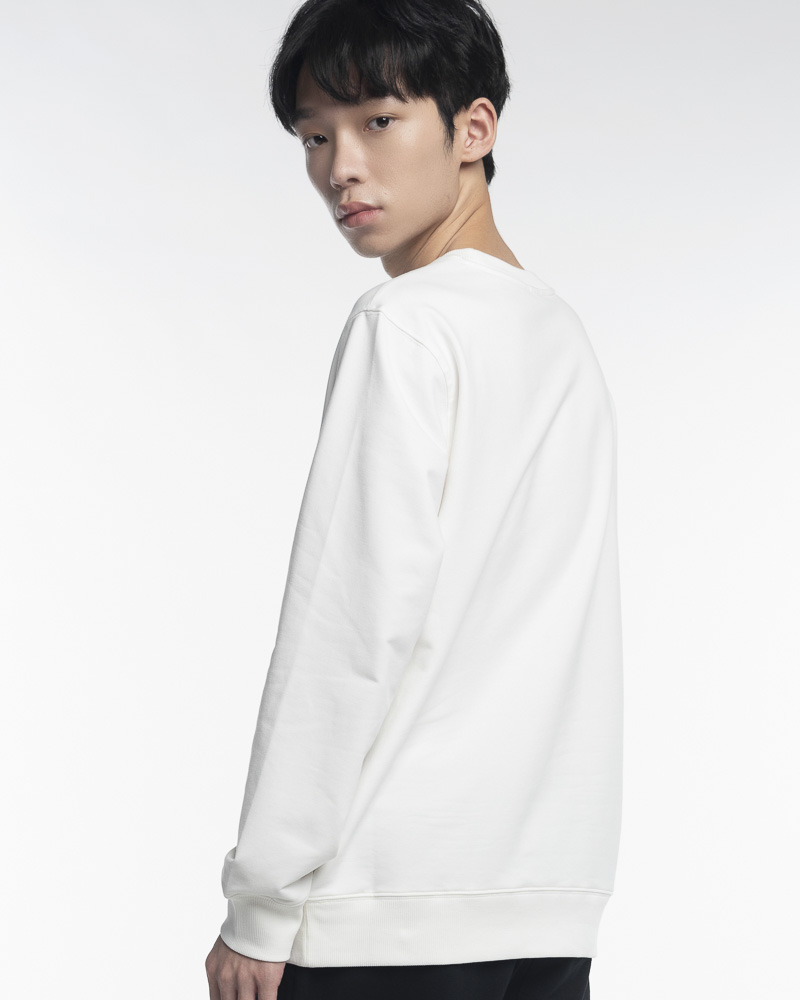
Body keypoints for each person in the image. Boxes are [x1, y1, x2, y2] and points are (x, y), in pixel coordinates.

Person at [205, 1, 623, 997]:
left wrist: (262, 901)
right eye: (315, 136)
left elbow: (346, 631)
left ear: (472, 128)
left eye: (377, 120)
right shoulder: (558, 334)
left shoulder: (406, 323)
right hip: (544, 902)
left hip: (383, 913)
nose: (340, 168)